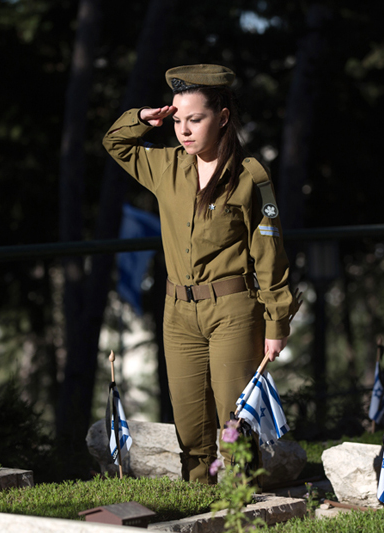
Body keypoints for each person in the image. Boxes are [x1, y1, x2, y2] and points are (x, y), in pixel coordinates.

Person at [103, 64, 297, 484]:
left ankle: (243, 510)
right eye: (177, 120)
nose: (184, 131)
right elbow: (114, 143)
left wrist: (276, 321)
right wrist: (142, 119)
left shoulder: (250, 177)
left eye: (195, 119)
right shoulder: (166, 167)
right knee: (191, 430)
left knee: (234, 425)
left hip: (233, 309)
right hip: (178, 313)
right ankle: (200, 507)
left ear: (223, 116)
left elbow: (270, 254)